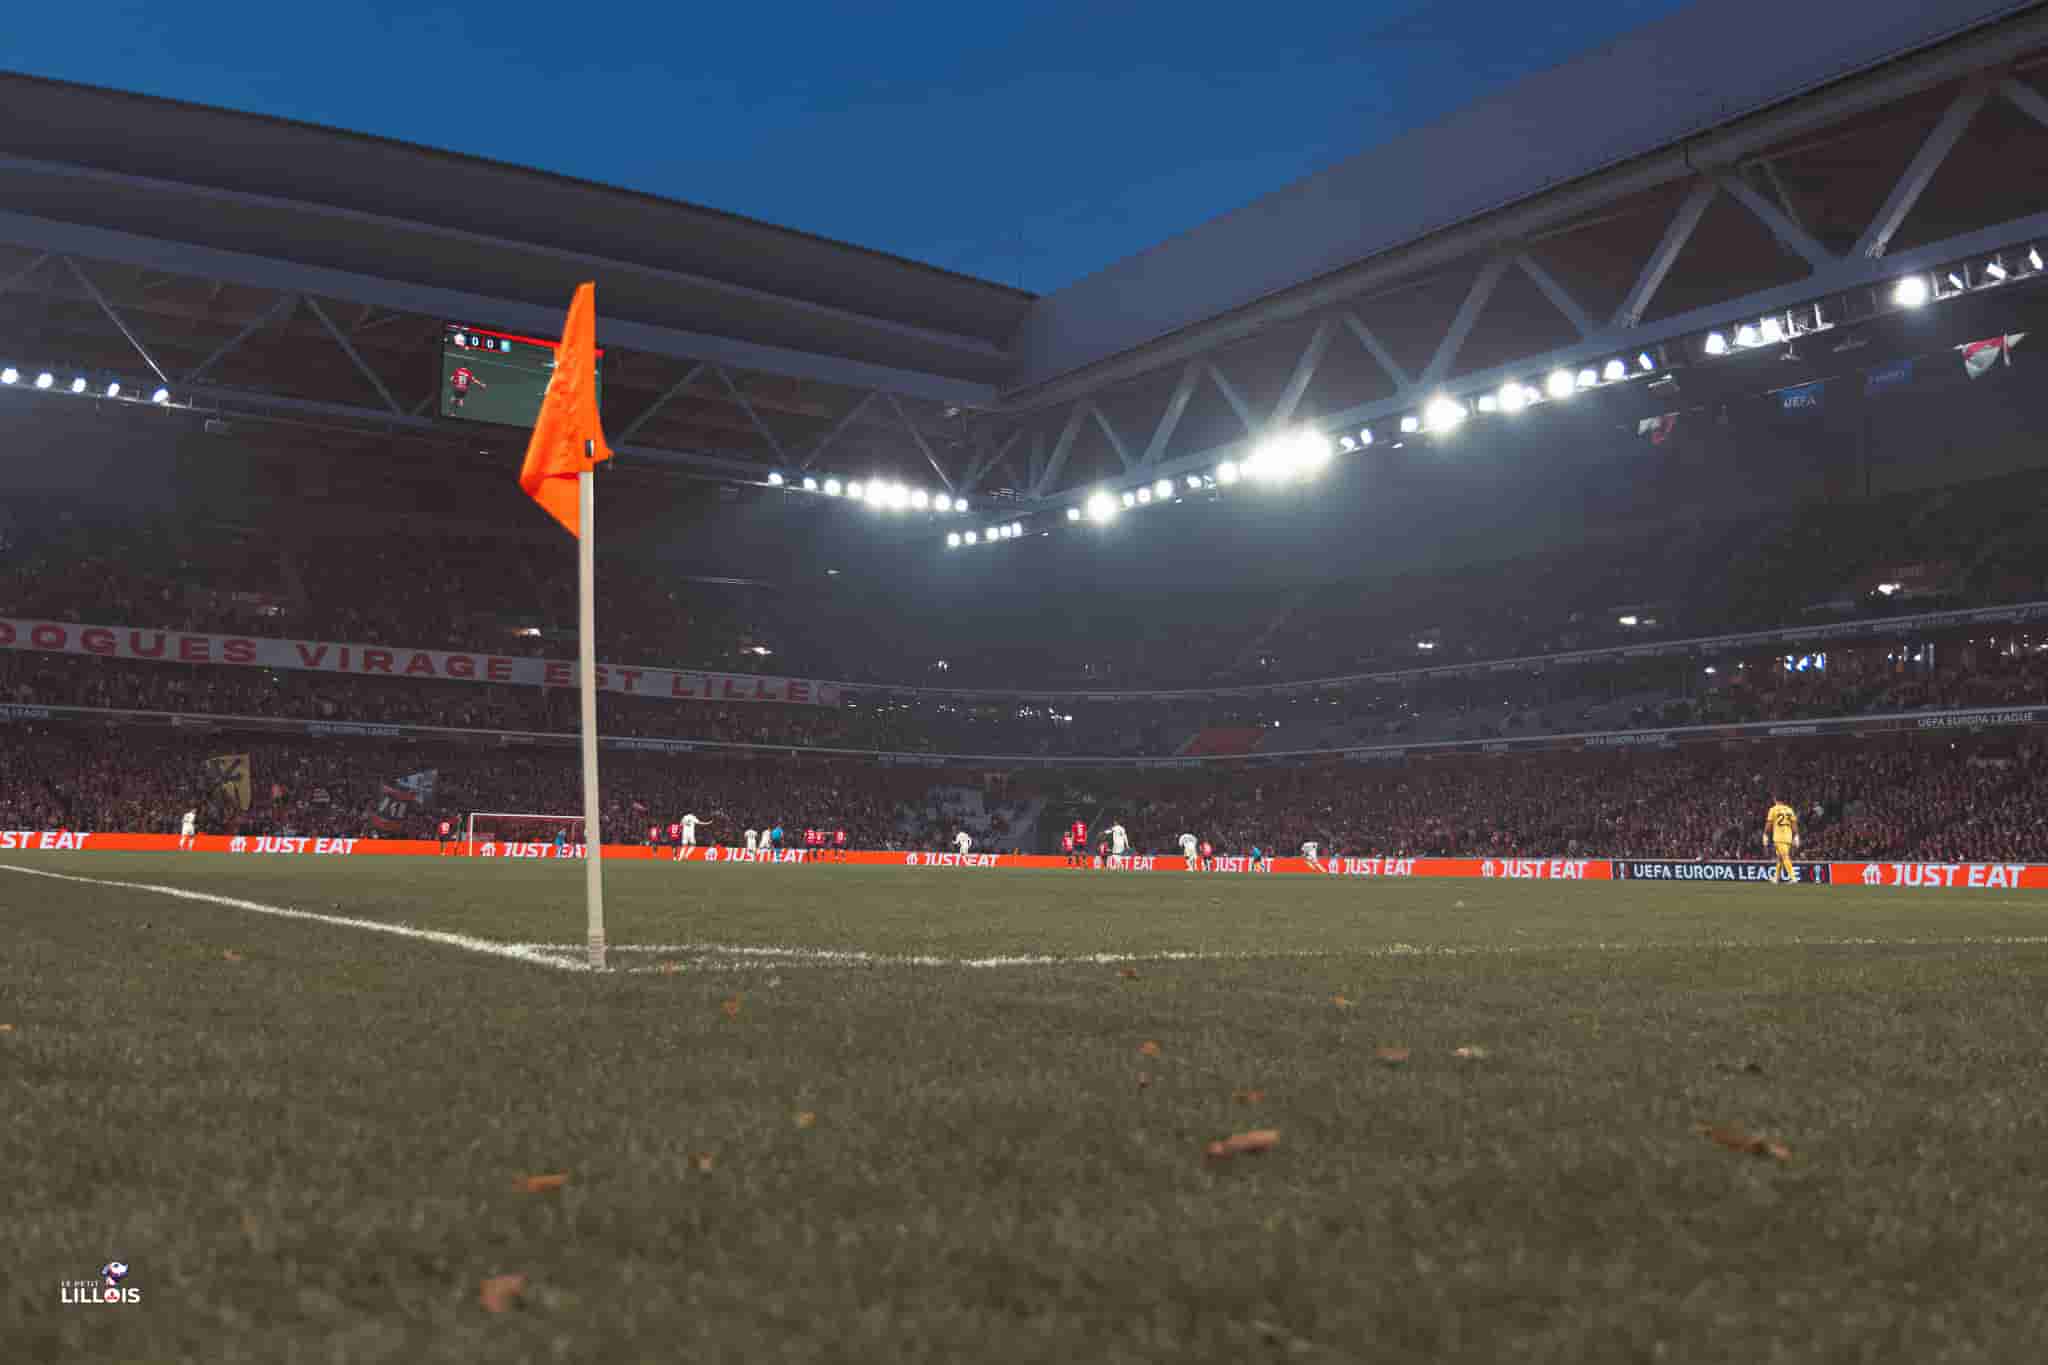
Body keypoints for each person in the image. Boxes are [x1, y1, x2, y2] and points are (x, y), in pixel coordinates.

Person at [1764, 793, 1801, 885]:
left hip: (1778, 837)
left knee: (1784, 857)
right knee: (1780, 858)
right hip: (1788, 837)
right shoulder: (1789, 810)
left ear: (1775, 799)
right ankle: (1776, 878)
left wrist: (1765, 834)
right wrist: (1796, 836)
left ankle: (1793, 878)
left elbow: (1769, 824)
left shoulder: (1773, 809)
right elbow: (1794, 824)